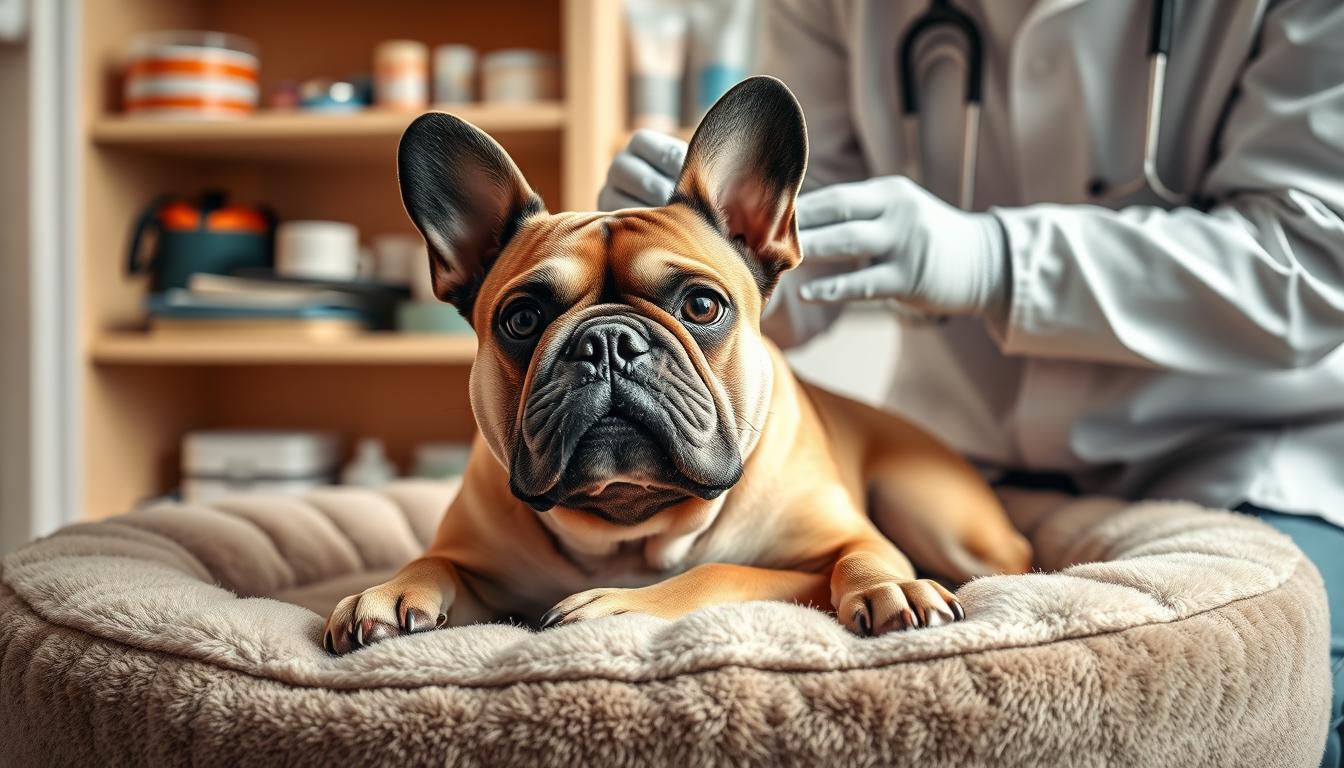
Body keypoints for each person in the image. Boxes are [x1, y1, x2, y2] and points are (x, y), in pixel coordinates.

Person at [598, 0, 1344, 763]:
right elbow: (793, 270)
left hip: (1242, 457)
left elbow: (1316, 259)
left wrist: (997, 262)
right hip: (958, 453)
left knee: (1297, 698)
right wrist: (703, 250)